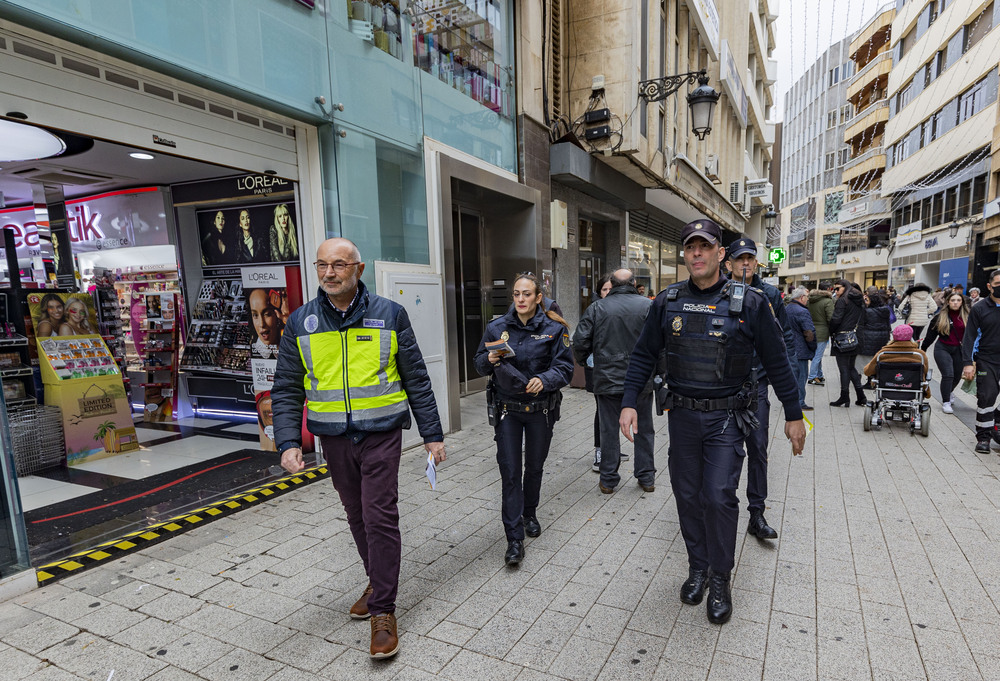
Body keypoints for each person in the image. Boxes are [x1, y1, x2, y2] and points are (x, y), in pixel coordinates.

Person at [619, 218, 806, 625]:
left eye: (705, 247)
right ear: (685, 255)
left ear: (721, 254)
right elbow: (643, 356)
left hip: (726, 418)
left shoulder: (751, 303)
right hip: (683, 416)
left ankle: (720, 578)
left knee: (718, 495)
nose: (697, 254)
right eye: (691, 248)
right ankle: (698, 567)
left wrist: (794, 415)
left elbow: (778, 362)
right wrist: (629, 402)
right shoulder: (666, 301)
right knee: (687, 496)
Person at [271, 237, 445, 660]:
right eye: (321, 266)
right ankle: (377, 579)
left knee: (379, 515)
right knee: (356, 514)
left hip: (382, 433)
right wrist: (289, 442)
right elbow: (288, 388)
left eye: (339, 265)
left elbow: (416, 378)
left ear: (358, 270)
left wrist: (432, 434)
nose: (329, 273)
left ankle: (383, 610)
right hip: (333, 438)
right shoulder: (300, 322)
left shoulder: (389, 314)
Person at [474, 273, 573, 566]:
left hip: (541, 410)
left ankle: (529, 513)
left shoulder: (555, 329)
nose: (520, 299)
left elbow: (565, 368)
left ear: (538, 298)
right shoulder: (497, 327)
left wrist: (545, 379)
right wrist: (488, 360)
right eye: (516, 294)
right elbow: (479, 364)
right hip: (508, 411)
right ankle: (514, 539)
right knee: (510, 471)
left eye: (527, 294)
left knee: (534, 467)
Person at [725, 236, 796, 540]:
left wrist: (788, 385)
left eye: (750, 259)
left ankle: (757, 512)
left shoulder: (769, 295)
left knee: (758, 447)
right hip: (724, 386)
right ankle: (718, 507)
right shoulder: (719, 292)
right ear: (727, 263)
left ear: (756, 262)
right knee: (723, 450)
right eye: (739, 259)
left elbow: (784, 341)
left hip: (756, 384)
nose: (745, 264)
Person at [573, 269, 656, 495]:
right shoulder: (648, 306)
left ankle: (609, 479)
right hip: (641, 380)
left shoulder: (598, 307)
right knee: (644, 428)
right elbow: (662, 343)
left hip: (607, 378)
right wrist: (660, 373)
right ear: (634, 283)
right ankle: (646, 476)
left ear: (612, 284)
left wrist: (584, 361)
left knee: (608, 429)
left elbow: (580, 341)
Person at [961, 269, 1000, 453]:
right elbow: (968, 337)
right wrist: (967, 362)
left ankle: (996, 423)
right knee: (986, 397)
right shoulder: (979, 308)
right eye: (998, 284)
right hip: (987, 360)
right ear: (989, 286)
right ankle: (983, 438)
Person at [921, 291, 969, 413]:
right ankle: (946, 401)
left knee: (957, 376)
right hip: (943, 348)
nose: (955, 303)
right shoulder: (940, 317)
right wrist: (922, 350)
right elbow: (930, 337)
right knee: (948, 374)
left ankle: (949, 391)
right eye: (953, 300)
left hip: (959, 349)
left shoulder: (967, 316)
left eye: (958, 300)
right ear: (948, 302)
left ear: (962, 302)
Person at [585, 275, 613, 472]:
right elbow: (582, 340)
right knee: (602, 410)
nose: (608, 293)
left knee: (615, 410)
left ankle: (612, 448)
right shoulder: (594, 311)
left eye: (612, 289)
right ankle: (600, 450)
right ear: (599, 292)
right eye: (604, 289)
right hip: (598, 367)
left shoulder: (622, 311)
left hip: (618, 368)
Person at [862, 324, 931, 398]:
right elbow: (925, 371)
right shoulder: (919, 355)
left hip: (886, 390)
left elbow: (867, 371)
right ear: (911, 337)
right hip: (912, 391)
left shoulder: (883, 353)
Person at [829, 279, 866, 407]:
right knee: (851, 368)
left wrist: (831, 330)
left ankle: (844, 396)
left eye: (837, 288)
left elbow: (836, 319)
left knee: (844, 369)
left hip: (843, 338)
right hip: (855, 336)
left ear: (845, 287)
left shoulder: (842, 301)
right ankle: (861, 396)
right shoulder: (859, 299)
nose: (835, 291)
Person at [785, 287, 816, 411]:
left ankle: (789, 400)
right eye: (807, 297)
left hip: (788, 347)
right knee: (801, 376)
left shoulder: (786, 309)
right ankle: (799, 401)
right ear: (802, 297)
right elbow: (809, 332)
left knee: (790, 376)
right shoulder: (802, 311)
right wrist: (813, 347)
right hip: (800, 349)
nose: (807, 300)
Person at [857, 290, 892, 389]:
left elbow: (861, 324)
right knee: (875, 359)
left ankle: (864, 380)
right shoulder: (885, 310)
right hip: (882, 337)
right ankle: (872, 381)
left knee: (865, 360)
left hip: (868, 337)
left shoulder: (866, 311)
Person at [807, 283, 834, 385]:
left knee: (817, 355)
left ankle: (819, 374)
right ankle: (812, 377)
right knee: (817, 356)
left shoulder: (810, 300)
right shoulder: (827, 301)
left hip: (811, 330)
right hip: (822, 331)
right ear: (828, 289)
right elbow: (830, 318)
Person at [248, 288, 285, 355]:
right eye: (255, 315)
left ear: (277, 315)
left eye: (267, 314)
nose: (261, 324)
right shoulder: (258, 352)